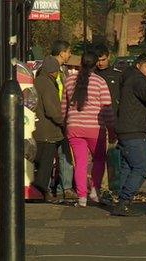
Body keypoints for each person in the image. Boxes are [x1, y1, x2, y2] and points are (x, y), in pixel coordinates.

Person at [112, 54, 146, 216]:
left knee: (128, 167)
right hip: (134, 131)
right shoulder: (138, 80)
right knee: (142, 167)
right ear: (138, 66)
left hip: (125, 130)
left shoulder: (128, 79)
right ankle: (124, 200)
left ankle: (121, 203)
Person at [62, 51, 116, 207]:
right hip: (95, 128)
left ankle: (82, 197)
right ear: (95, 65)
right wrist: (111, 130)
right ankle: (94, 190)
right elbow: (107, 109)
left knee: (80, 163)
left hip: (74, 127)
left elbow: (63, 107)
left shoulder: (69, 80)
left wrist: (64, 123)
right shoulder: (100, 82)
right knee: (99, 160)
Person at [32, 56, 65, 201]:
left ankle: (38, 190)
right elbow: (52, 110)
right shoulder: (48, 85)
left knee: (37, 161)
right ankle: (42, 190)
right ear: (54, 71)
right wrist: (62, 122)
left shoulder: (37, 82)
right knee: (45, 164)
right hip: (48, 131)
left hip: (37, 129)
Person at [50, 40, 78, 201]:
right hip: (57, 118)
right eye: (68, 52)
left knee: (64, 153)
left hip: (61, 117)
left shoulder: (61, 71)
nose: (69, 55)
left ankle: (64, 187)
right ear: (61, 53)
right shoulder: (53, 70)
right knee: (61, 153)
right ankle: (63, 187)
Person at [94, 44, 122, 114]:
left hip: (114, 113)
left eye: (103, 60)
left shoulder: (118, 75)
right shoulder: (92, 75)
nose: (100, 63)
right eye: (98, 60)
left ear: (108, 57)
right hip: (96, 113)